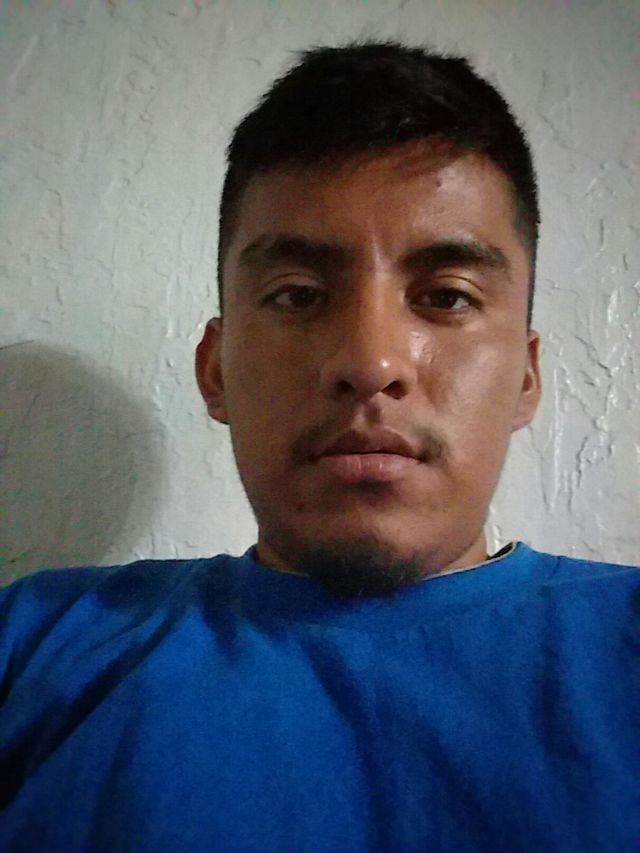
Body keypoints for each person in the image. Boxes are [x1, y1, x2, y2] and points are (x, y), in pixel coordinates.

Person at [1, 40, 638, 852]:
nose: (370, 363)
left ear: (525, 376)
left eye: (447, 296)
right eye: (298, 295)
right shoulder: (32, 645)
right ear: (215, 370)